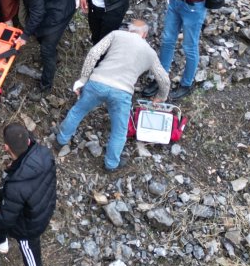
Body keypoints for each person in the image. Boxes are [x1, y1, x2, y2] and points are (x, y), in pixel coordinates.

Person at [55, 20, 169, 172]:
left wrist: (83, 79)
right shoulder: (150, 53)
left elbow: (93, 53)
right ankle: (111, 164)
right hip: (122, 93)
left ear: (129, 29)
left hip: (97, 83)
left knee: (78, 111)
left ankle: (61, 140)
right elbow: (163, 79)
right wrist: (161, 96)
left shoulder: (116, 34)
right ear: (145, 34)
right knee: (119, 130)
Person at [0, 124, 57, 266]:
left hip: (30, 227)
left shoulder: (16, 186)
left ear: (6, 148)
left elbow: (7, 218)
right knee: (5, 201)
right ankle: (1, 238)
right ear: (28, 140)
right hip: (42, 205)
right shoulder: (43, 153)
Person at [3, 0, 76, 92]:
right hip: (66, 0)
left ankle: (45, 86)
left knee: (46, 49)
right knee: (43, 36)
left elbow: (38, 13)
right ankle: (53, 55)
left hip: (58, 14)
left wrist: (25, 35)